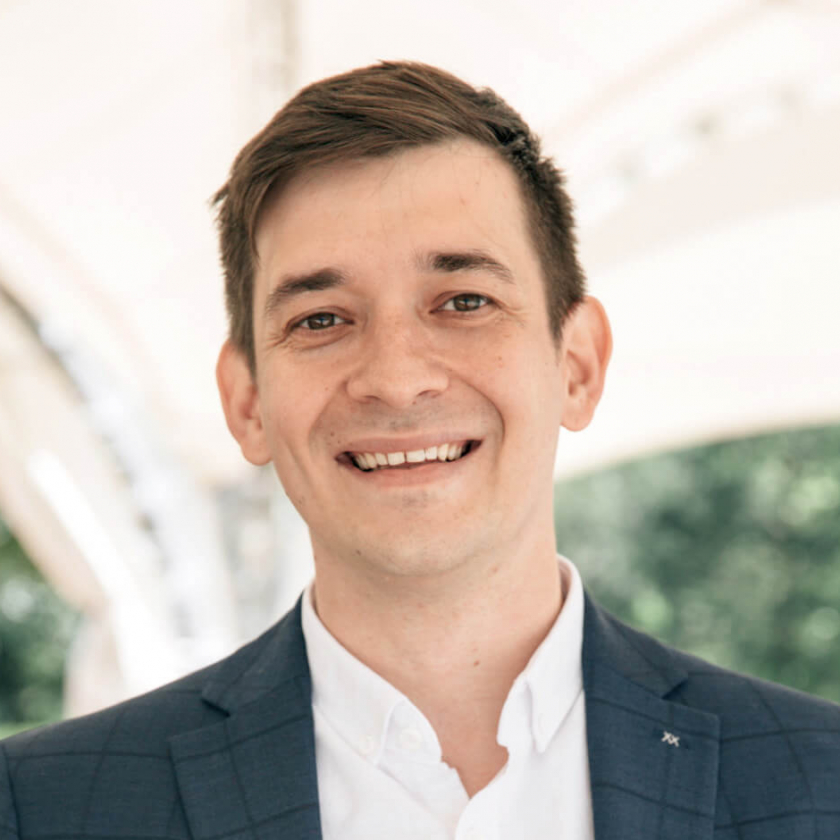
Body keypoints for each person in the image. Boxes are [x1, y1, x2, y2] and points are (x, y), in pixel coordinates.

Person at [1, 60, 838, 840]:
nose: (396, 381)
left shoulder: (820, 784)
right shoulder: (42, 808)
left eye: (463, 301)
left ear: (577, 365)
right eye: (320, 320)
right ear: (247, 401)